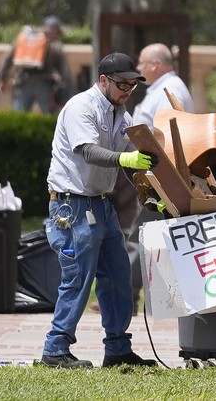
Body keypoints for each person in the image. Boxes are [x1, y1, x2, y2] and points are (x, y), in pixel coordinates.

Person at [40, 52, 158, 368]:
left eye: (132, 86)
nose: (127, 91)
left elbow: (137, 154)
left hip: (101, 206)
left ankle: (117, 349)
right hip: (72, 205)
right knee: (78, 278)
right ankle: (55, 349)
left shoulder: (121, 113)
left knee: (118, 278)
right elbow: (89, 151)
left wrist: (156, 186)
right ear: (103, 80)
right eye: (122, 84)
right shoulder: (81, 107)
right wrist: (125, 160)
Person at [127, 43, 196, 314]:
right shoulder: (161, 89)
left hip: (160, 175)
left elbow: (170, 137)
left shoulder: (171, 91)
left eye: (142, 63)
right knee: (147, 234)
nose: (139, 68)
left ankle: (128, 296)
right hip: (152, 172)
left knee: (141, 233)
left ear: (155, 65)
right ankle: (148, 298)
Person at [0, 15, 73, 114]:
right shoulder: (54, 45)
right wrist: (67, 89)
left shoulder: (24, 40)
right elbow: (64, 71)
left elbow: (6, 59)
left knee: (18, 118)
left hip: (23, 82)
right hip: (45, 84)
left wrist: (2, 80)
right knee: (49, 118)